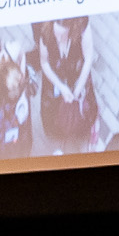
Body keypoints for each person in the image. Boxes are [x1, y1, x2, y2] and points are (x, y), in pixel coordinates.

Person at [37, 13, 100, 148]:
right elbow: (44, 63)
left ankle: (82, 129)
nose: (58, 39)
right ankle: (58, 132)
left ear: (72, 27)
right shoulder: (46, 33)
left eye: (62, 35)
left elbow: (88, 57)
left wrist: (78, 88)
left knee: (83, 107)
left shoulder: (82, 25)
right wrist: (61, 87)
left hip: (76, 76)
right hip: (55, 79)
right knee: (53, 111)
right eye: (57, 34)